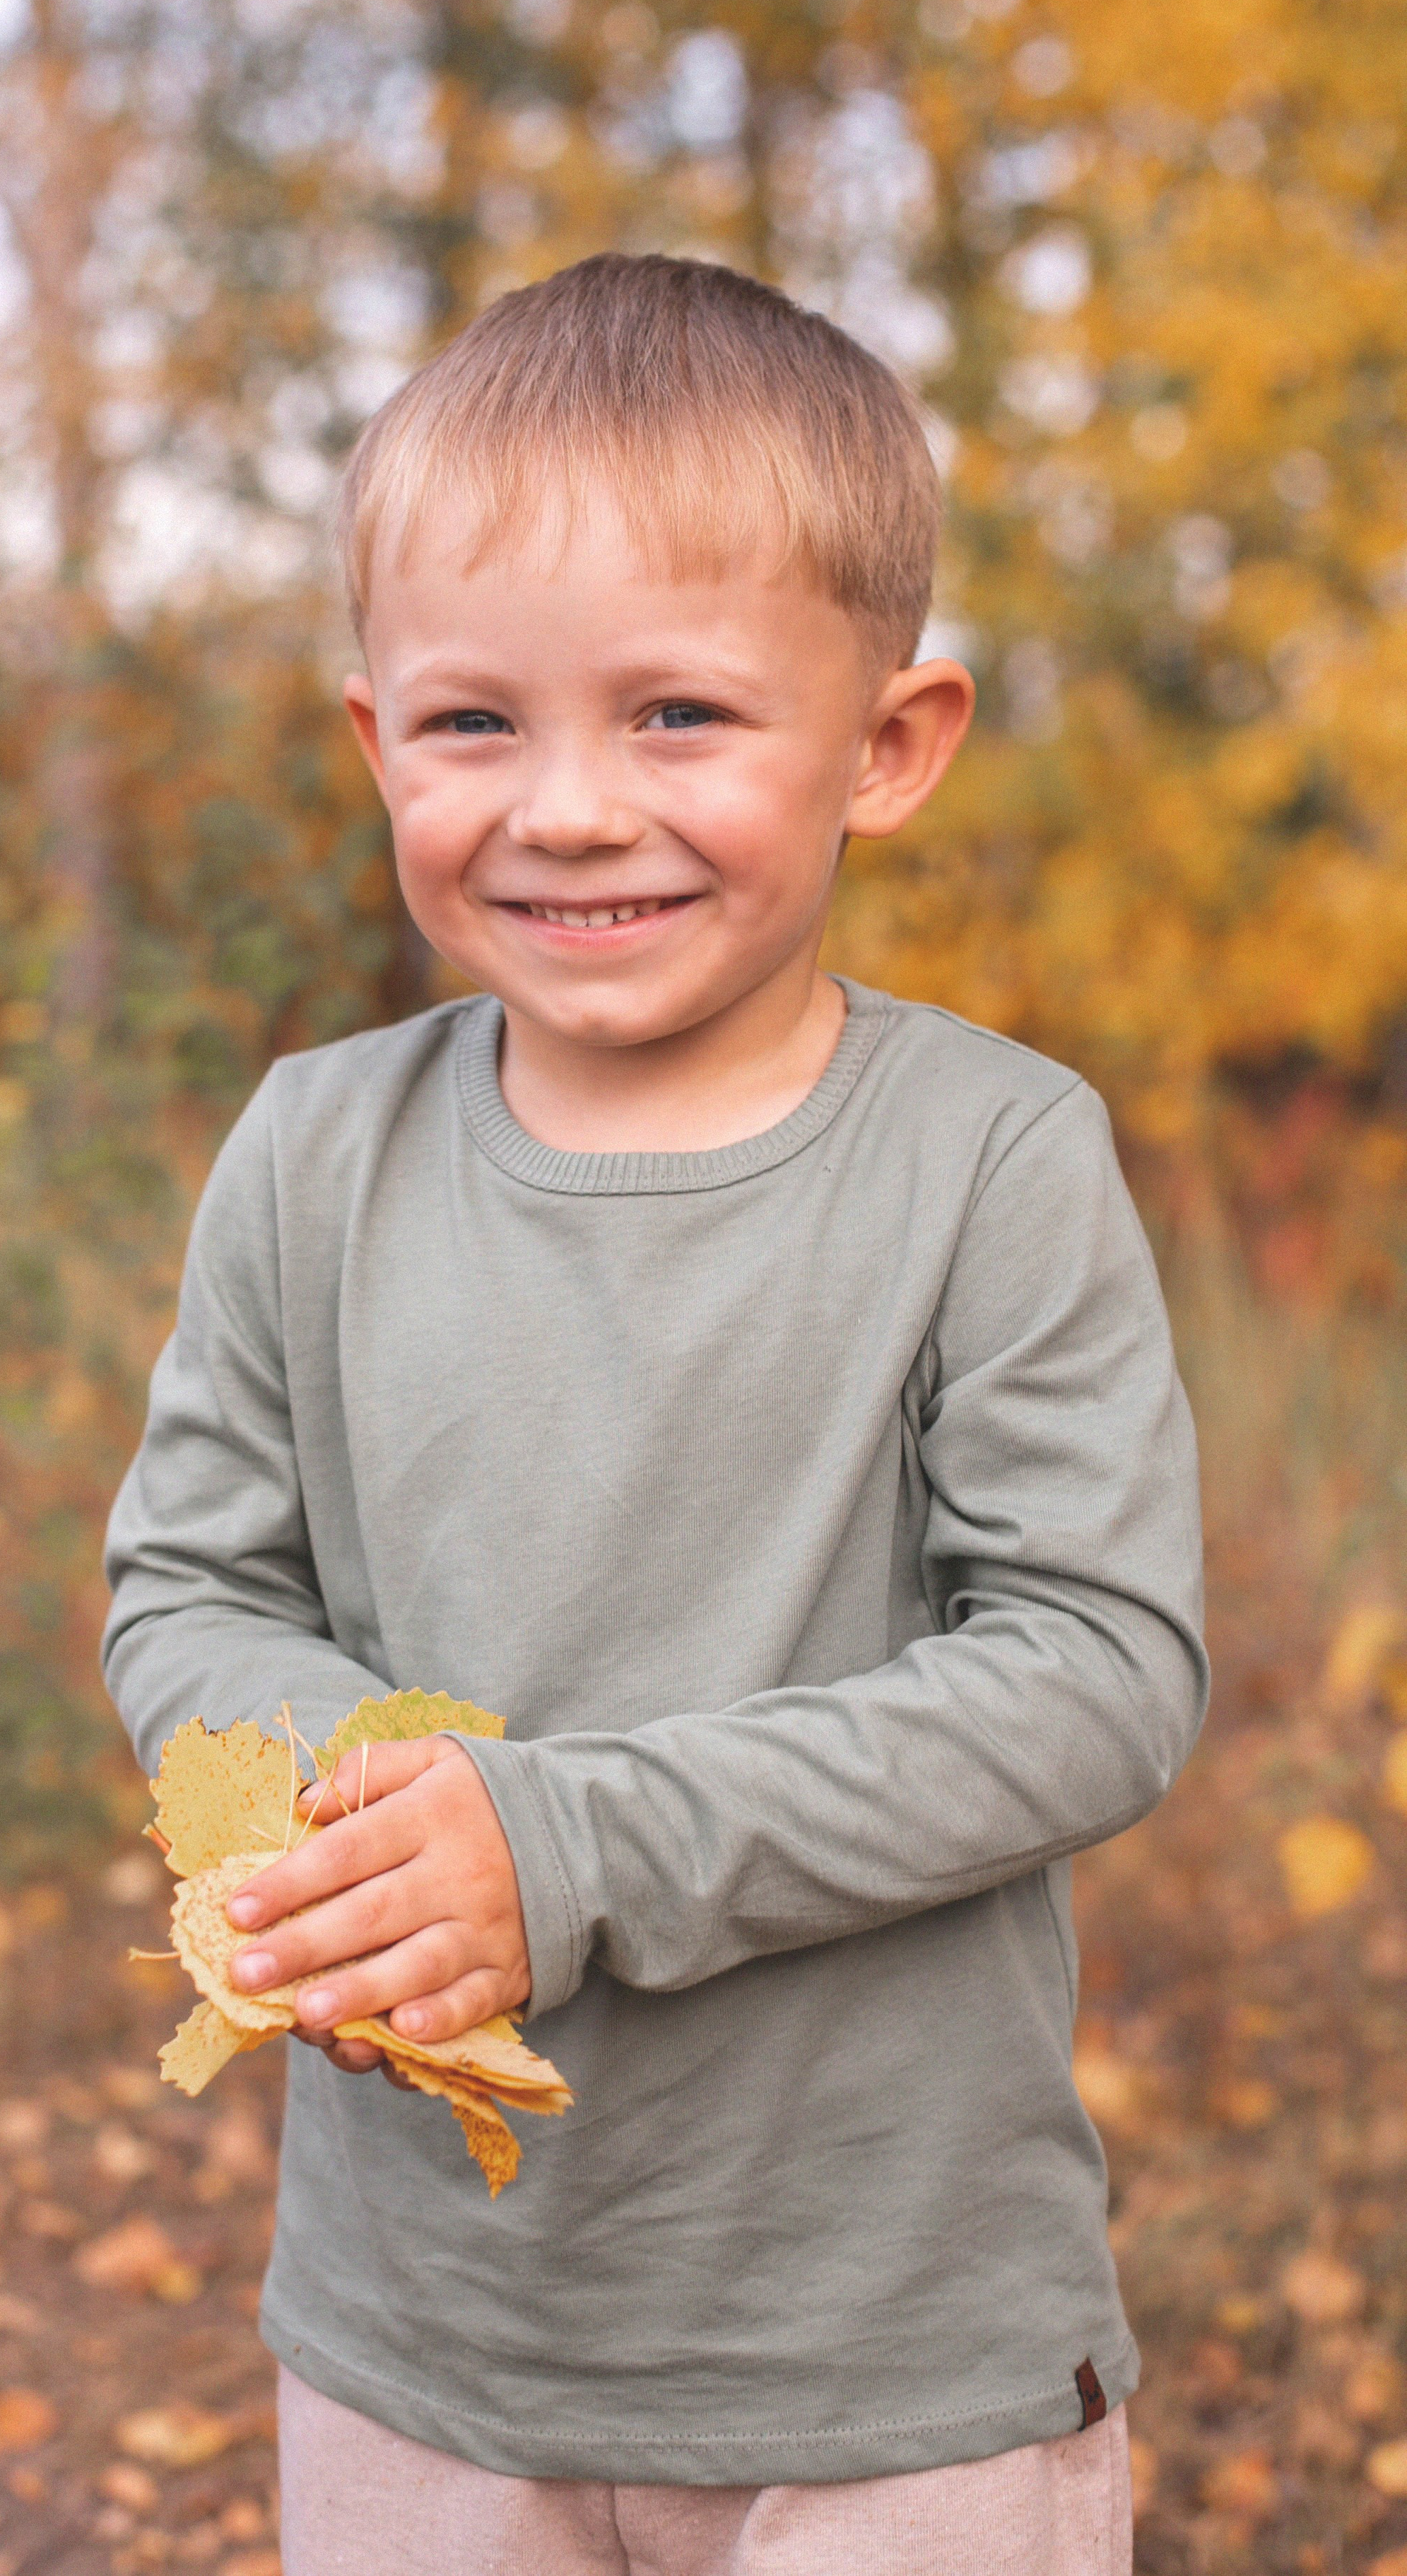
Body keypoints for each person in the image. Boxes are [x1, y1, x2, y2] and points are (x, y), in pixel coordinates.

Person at [102, 251, 1206, 2576]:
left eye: (681, 713)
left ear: (890, 743)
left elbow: (1096, 1672)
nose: (575, 809)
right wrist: (358, 1822)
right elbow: (193, 1583)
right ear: (376, 742)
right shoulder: (312, 1153)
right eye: (474, 722)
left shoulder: (990, 1157)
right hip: (425, 2340)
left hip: (885, 2360)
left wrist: (560, 1849)